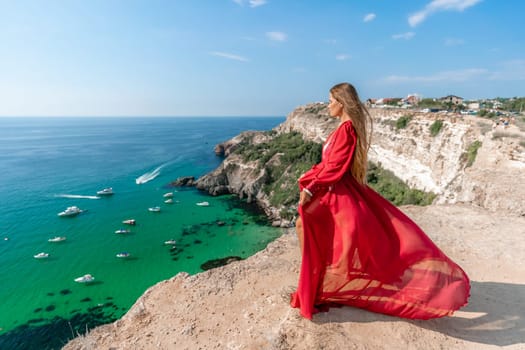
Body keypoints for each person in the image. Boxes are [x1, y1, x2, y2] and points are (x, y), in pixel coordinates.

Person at [290, 82, 470, 320]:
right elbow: (328, 164)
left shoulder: (346, 130)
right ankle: (314, 280)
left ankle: (314, 281)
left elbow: (334, 167)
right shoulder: (342, 128)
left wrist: (311, 187)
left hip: (337, 193)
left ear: (342, 103)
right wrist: (310, 176)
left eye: (331, 101)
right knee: (311, 229)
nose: (328, 105)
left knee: (311, 228)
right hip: (334, 190)